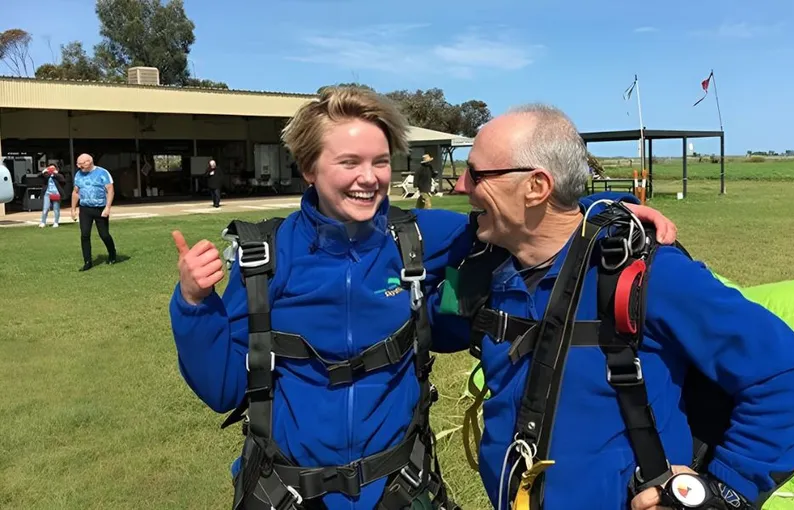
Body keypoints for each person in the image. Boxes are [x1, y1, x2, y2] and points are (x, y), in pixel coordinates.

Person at [169, 87, 678, 510]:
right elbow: (223, 390)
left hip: (398, 489)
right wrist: (193, 303)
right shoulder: (266, 256)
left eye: (380, 161)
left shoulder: (416, 237)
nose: (369, 177)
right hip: (288, 493)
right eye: (348, 162)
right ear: (308, 168)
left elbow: (524, 212)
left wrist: (606, 207)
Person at [435, 104, 794, 510]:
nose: (460, 186)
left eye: (475, 174)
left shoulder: (648, 275)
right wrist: (609, 204)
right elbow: (428, 312)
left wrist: (724, 492)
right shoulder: (481, 264)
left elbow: (786, 371)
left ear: (536, 186)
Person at [71, 153, 118, 271]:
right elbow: (75, 192)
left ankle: (112, 253)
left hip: (100, 208)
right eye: (78, 164)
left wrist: (107, 207)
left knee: (104, 234)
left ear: (89, 162)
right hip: (85, 208)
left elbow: (110, 191)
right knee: (85, 234)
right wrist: (73, 209)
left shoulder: (103, 173)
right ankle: (87, 261)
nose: (79, 167)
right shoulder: (78, 174)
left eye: (81, 164)